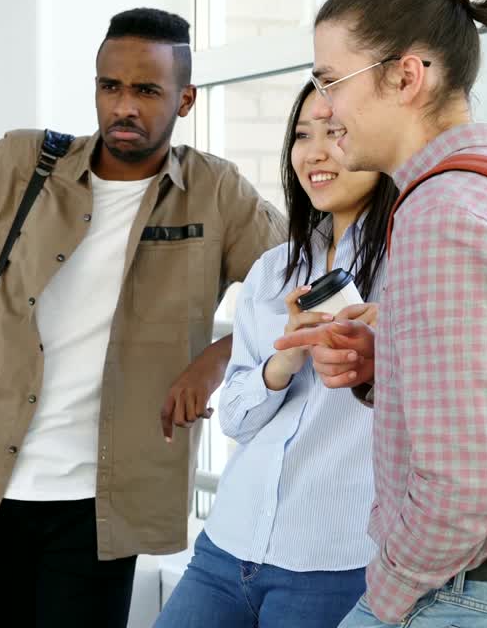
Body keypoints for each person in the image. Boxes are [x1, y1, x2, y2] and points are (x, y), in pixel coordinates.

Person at [0, 7, 285, 627]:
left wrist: (214, 361)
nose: (124, 106)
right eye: (111, 87)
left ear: (185, 101)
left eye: (147, 91)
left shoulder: (215, 191)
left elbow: (294, 287)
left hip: (102, 505)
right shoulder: (26, 164)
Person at [275, 0, 487, 627]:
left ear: (406, 77)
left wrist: (388, 597)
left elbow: (464, 487)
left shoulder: (442, 218)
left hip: (462, 596)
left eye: (331, 81)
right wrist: (394, 365)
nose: (323, 108)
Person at [155, 79, 398, 627]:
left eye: (335, 132)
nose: (314, 151)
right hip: (228, 543)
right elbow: (236, 418)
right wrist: (283, 361)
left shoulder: (408, 264)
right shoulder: (273, 270)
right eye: (302, 134)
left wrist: (375, 352)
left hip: (332, 561)